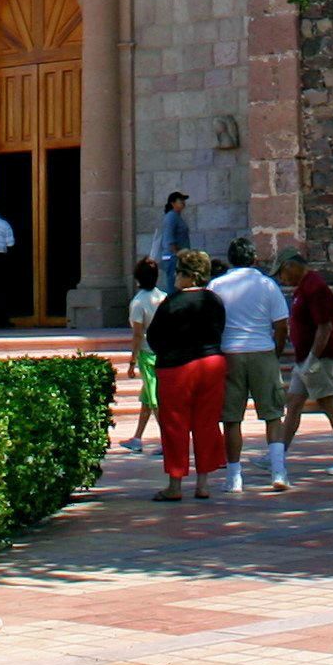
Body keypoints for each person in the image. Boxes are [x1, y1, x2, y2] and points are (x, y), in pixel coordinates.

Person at [208, 237, 292, 495]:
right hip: (262, 350)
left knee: (232, 418)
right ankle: (278, 471)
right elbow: (281, 325)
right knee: (273, 415)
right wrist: (274, 353)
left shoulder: (216, 285)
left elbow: (212, 322)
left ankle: (234, 476)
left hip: (230, 351)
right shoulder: (267, 285)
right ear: (254, 258)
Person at [146, 249, 229, 501]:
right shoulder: (214, 301)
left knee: (175, 424)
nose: (175, 278)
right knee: (207, 422)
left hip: (177, 367)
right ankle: (203, 483)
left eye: (179, 273)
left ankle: (175, 484)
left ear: (190, 276)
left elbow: (154, 338)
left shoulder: (171, 303)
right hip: (211, 363)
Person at [275, 247, 333, 481]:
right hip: (305, 358)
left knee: (328, 403)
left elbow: (325, 327)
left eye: (281, 274)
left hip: (318, 359)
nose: (281, 280)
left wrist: (313, 359)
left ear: (290, 267)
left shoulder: (316, 288)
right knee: (293, 403)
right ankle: (278, 454)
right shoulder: (303, 288)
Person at [122, 257, 164, 453]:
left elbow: (138, 334)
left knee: (154, 398)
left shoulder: (138, 302)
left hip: (147, 354)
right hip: (163, 352)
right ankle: (137, 438)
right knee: (147, 398)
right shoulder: (163, 297)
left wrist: (132, 361)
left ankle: (168, 440)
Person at [147, 192, 194, 287]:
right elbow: (169, 239)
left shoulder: (176, 216)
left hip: (176, 257)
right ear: (173, 203)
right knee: (174, 286)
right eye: (180, 200)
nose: (183, 202)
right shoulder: (171, 217)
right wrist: (179, 253)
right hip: (173, 258)